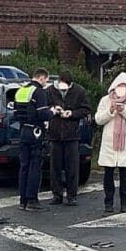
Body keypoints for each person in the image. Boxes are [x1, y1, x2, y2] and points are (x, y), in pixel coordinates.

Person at [94, 72, 126, 213]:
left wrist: (124, 110)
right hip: (110, 144)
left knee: (124, 175)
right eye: (119, 87)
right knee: (108, 174)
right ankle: (108, 203)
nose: (121, 90)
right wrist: (111, 110)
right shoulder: (105, 100)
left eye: (124, 87)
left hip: (125, 144)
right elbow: (98, 119)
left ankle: (124, 204)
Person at [46, 70, 90, 205]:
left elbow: (86, 109)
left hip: (72, 134)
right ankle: (57, 195)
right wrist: (54, 110)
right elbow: (44, 107)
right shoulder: (50, 90)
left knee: (72, 167)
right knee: (55, 167)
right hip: (55, 134)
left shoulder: (79, 91)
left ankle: (72, 196)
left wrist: (72, 113)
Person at [13, 68, 52, 211]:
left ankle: (22, 200)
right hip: (36, 132)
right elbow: (43, 114)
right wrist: (53, 112)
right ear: (41, 78)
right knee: (35, 166)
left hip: (23, 131)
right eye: (46, 80)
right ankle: (32, 200)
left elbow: (16, 113)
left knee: (24, 166)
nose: (46, 83)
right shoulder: (39, 92)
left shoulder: (21, 91)